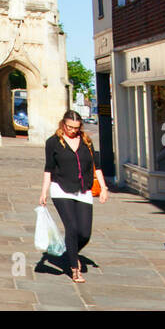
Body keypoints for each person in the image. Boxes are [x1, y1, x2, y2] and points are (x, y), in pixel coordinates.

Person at [40, 109, 107, 283]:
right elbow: (48, 169)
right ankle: (74, 268)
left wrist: (104, 188)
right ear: (63, 124)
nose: (72, 130)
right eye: (69, 127)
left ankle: (71, 251)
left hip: (83, 189)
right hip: (60, 189)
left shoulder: (86, 141)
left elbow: (96, 166)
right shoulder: (53, 142)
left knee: (84, 233)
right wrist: (43, 192)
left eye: (76, 128)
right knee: (72, 227)